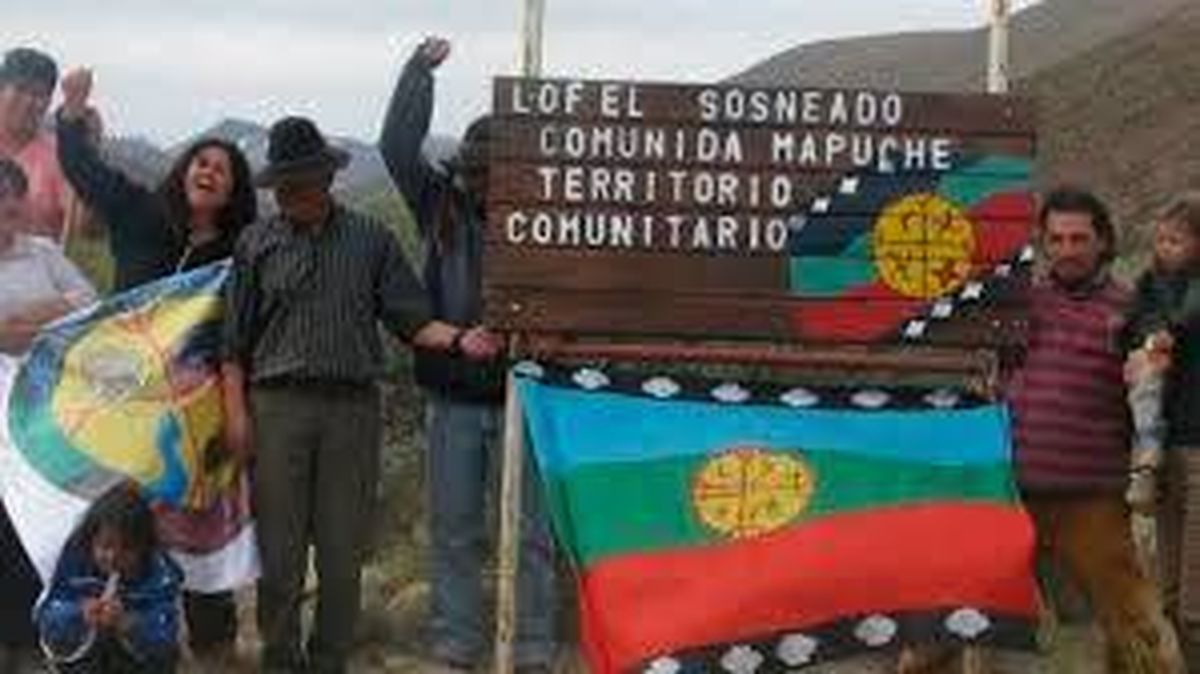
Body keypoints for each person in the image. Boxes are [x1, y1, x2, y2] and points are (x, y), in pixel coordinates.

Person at [221, 115, 502, 674]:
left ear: (327, 177)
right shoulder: (255, 243)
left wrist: (462, 338)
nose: (293, 194)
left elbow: (412, 320)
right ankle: (280, 659)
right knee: (279, 553)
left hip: (352, 410)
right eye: (284, 185)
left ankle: (330, 660)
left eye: (303, 182)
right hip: (276, 408)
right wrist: (236, 414)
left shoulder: (371, 239)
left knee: (343, 552)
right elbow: (233, 342)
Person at [54, 66, 256, 663]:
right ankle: (107, 640)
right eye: (201, 159)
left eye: (221, 168)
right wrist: (71, 113)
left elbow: (242, 333)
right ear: (184, 169)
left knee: (195, 525)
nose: (208, 169)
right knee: (120, 521)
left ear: (231, 190)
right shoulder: (139, 211)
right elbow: (83, 171)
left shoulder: (243, 251)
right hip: (125, 409)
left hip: (199, 416)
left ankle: (213, 643)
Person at [378, 36, 558, 673]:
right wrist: (418, 75)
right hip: (453, 395)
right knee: (454, 529)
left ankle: (533, 645)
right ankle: (456, 642)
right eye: (475, 171)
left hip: (527, 398)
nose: (482, 183)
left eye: (493, 172)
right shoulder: (440, 208)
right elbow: (396, 149)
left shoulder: (546, 215)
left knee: (531, 534)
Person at [1006, 187, 1183, 673]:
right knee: (957, 617)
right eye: (1056, 239)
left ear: (1103, 242)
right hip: (1010, 493)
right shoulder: (1019, 306)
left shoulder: (1131, 311)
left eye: (1079, 238)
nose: (1067, 249)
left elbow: (1156, 391)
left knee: (1136, 628)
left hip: (1093, 498)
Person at [0, 156, 96, 674]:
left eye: (11, 198)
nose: (5, 209)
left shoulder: (41, 253)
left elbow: (86, 300)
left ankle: (36, 636)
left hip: (42, 416)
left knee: (38, 525)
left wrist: (26, 322)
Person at [1120, 193, 1200, 666]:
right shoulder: (1151, 283)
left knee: (1195, 607)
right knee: (1169, 600)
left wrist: (1170, 329)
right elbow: (1135, 324)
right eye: (1161, 239)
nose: (1164, 248)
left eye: (1176, 240)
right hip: (1166, 447)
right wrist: (1146, 337)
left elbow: (1186, 315)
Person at [37, 483, 182, 674]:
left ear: (144, 547)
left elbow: (167, 636)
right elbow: (46, 616)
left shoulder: (160, 577)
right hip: (85, 656)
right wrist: (78, 613)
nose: (113, 557)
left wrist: (129, 623)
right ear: (91, 539)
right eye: (105, 546)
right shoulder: (73, 560)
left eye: (127, 549)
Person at [0, 47, 71, 242]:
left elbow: (84, 225)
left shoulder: (61, 156)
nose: (29, 102)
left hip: (32, 267)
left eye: (39, 94)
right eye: (21, 89)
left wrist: (87, 156)